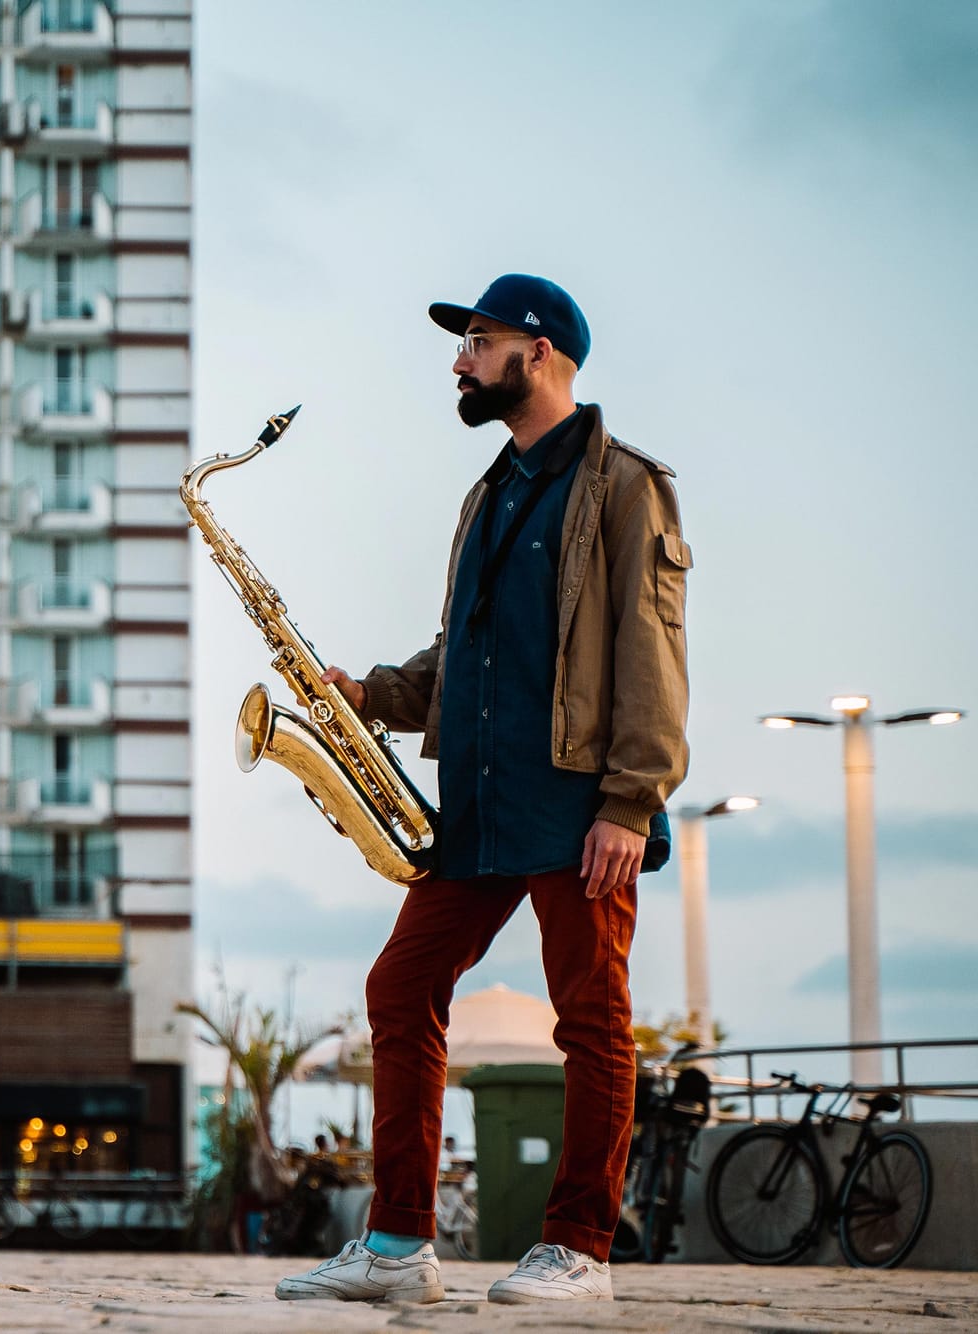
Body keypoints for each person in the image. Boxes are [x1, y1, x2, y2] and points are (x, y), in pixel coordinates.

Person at [275, 275, 689, 1307]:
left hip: (573, 799)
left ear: (536, 351)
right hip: (474, 802)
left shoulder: (624, 484)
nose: (457, 359)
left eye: (476, 340)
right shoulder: (489, 491)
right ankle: (396, 1241)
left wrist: (629, 801)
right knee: (397, 987)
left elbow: (650, 650)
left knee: (588, 1017)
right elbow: (469, 654)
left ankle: (578, 1249)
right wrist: (370, 691)